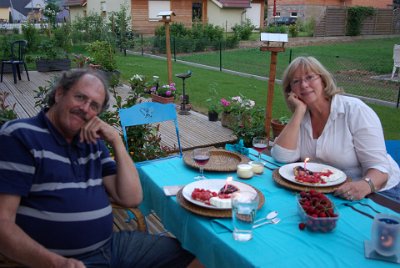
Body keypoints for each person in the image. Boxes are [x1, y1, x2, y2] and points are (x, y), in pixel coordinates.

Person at [0, 69, 198, 267]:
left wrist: (116, 140)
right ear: (59, 94)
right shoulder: (20, 136)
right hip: (59, 260)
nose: (85, 108)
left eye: (93, 105)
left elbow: (131, 198)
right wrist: (55, 263)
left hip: (111, 247)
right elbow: (3, 223)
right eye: (80, 97)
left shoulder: (91, 142)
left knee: (202, 259)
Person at [271, 56, 400, 202]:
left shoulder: (355, 111)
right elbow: (282, 157)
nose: (304, 85)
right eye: (296, 81)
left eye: (310, 77)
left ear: (323, 80)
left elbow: (380, 168)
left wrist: (365, 185)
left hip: (378, 191)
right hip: (329, 191)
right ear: (290, 91)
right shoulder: (302, 117)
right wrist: (299, 111)